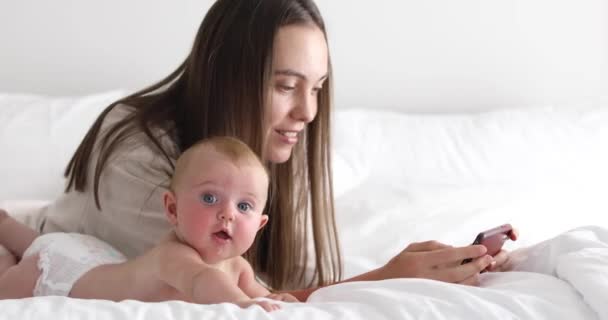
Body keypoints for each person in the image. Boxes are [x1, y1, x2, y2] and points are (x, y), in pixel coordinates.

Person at [11, 0, 512, 301]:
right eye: (287, 86)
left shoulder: (269, 164)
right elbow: (206, 293)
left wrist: (431, 270)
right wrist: (387, 277)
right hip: (40, 256)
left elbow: (286, 285)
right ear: (229, 81)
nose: (308, 113)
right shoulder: (136, 155)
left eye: (316, 88)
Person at [0, 137, 297, 311]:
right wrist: (243, 304)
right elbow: (202, 281)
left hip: (93, 256)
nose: (227, 214)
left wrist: (275, 299)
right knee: (14, 271)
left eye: (243, 206)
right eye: (209, 198)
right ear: (172, 209)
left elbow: (262, 295)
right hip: (62, 273)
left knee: (37, 242)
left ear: (259, 225)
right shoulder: (176, 257)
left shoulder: (238, 267)